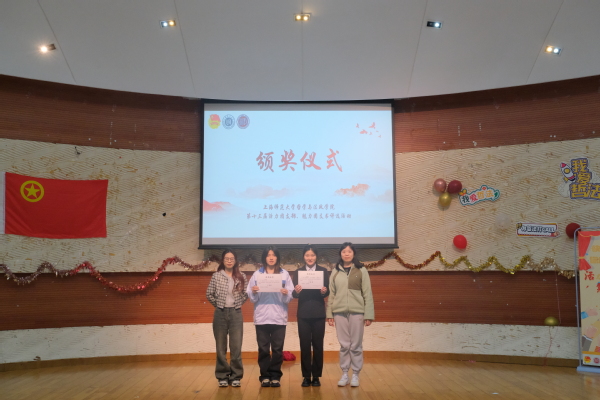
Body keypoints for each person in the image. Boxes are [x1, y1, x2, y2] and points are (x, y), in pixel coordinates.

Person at [326, 242, 374, 387]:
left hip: (357, 312)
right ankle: (345, 373)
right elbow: (331, 294)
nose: (346, 254)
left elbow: (367, 293)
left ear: (353, 254)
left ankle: (356, 374)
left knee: (356, 345)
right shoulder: (335, 271)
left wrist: (369, 315)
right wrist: (330, 314)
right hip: (339, 312)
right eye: (344, 251)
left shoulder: (361, 270)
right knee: (344, 345)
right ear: (340, 254)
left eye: (349, 251)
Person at [247, 246, 294, 387]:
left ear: (277, 257)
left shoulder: (284, 274)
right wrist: (254, 292)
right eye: (268, 255)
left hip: (279, 317)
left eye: (273, 255)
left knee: (277, 349)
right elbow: (251, 297)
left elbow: (290, 296)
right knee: (263, 349)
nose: (271, 257)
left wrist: (286, 293)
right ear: (264, 258)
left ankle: (275, 376)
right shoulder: (257, 275)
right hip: (262, 317)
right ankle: (265, 376)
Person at [206, 248, 249, 387]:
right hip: (220, 313)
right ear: (223, 261)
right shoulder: (217, 276)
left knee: (236, 347)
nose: (229, 261)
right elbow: (209, 294)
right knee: (220, 347)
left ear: (235, 261)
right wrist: (219, 305)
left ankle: (236, 376)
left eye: (231, 259)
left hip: (236, 313)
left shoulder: (241, 276)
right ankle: (222, 376)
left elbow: (246, 294)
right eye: (226, 259)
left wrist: (237, 304)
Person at [292, 245, 329, 387]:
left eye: (312, 255)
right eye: (307, 255)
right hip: (303, 313)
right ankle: (306, 376)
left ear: (316, 257)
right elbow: (294, 294)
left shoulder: (323, 271)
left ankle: (317, 376)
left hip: (319, 313)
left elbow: (327, 292)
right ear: (303, 257)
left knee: (318, 345)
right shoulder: (298, 272)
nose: (310, 258)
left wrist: (324, 291)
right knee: (305, 345)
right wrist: (296, 291)